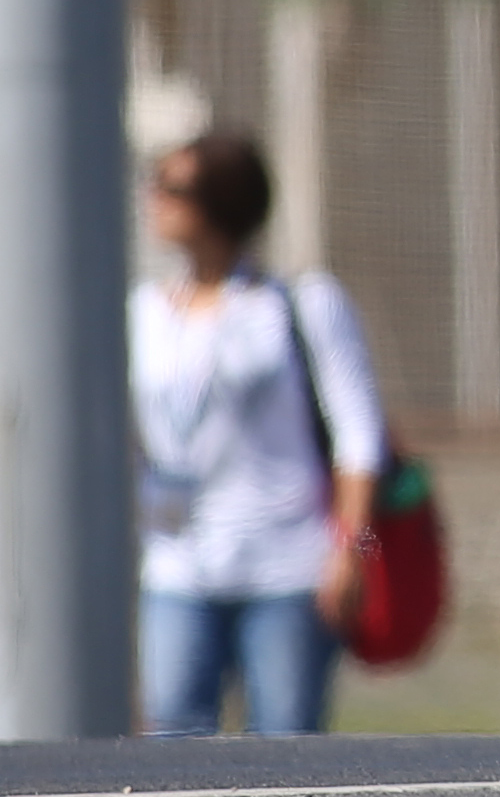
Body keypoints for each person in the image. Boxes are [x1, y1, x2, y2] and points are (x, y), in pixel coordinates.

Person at [128, 127, 387, 737]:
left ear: (220, 201)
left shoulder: (299, 304)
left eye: (172, 188)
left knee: (284, 748)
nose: (153, 199)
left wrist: (354, 551)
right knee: (171, 750)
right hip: (178, 566)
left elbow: (359, 434)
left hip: (288, 570)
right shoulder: (144, 312)